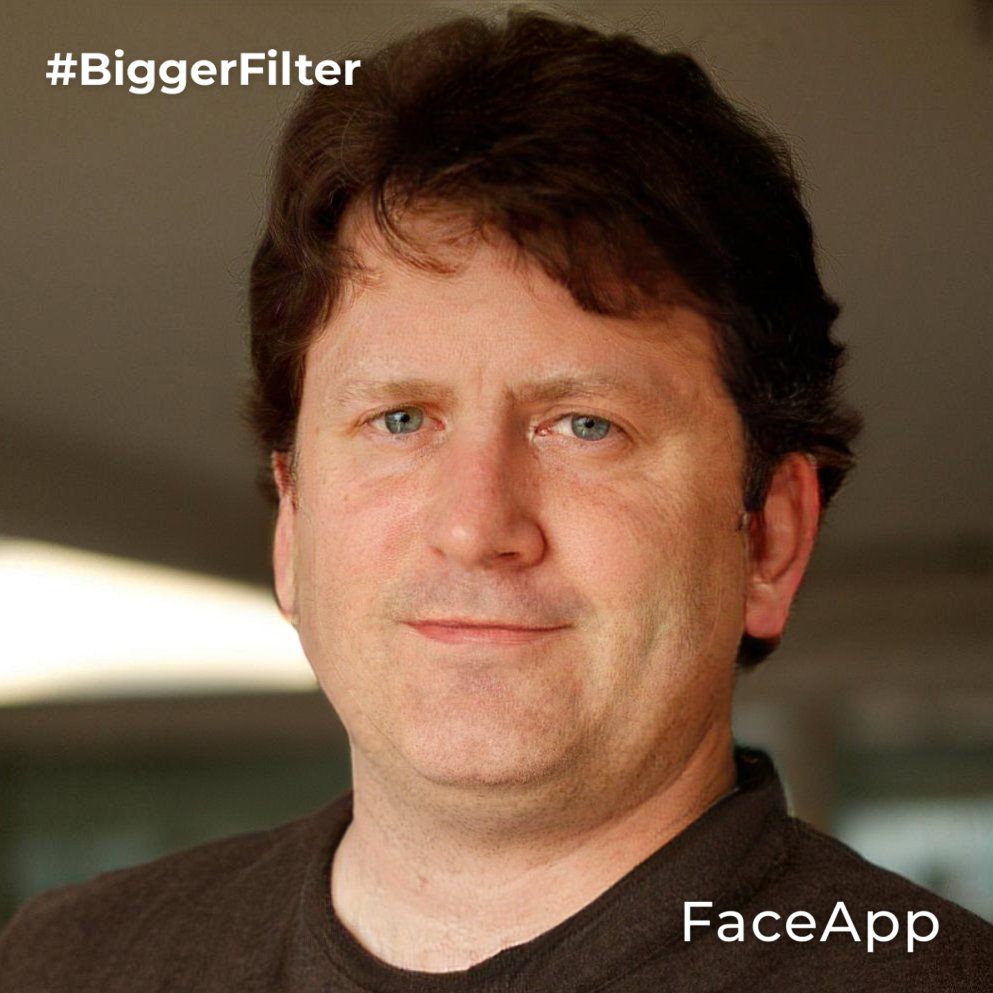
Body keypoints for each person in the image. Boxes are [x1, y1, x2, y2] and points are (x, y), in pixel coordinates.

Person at [2, 9, 990, 991]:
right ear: (293, 526)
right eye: (399, 419)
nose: (476, 526)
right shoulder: (67, 963)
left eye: (587, 425)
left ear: (768, 539)